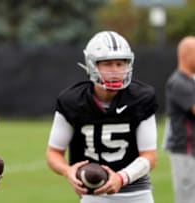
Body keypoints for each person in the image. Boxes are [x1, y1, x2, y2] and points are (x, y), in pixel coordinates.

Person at [46, 31, 158, 203]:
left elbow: (149, 156)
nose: (115, 71)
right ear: (92, 65)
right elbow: (53, 152)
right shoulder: (72, 101)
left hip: (136, 193)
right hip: (94, 193)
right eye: (107, 64)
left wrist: (121, 178)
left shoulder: (140, 97)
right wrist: (67, 171)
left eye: (120, 64)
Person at [164, 36, 195, 203]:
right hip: (185, 151)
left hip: (191, 151)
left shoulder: (189, 81)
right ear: (186, 55)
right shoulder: (179, 83)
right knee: (187, 199)